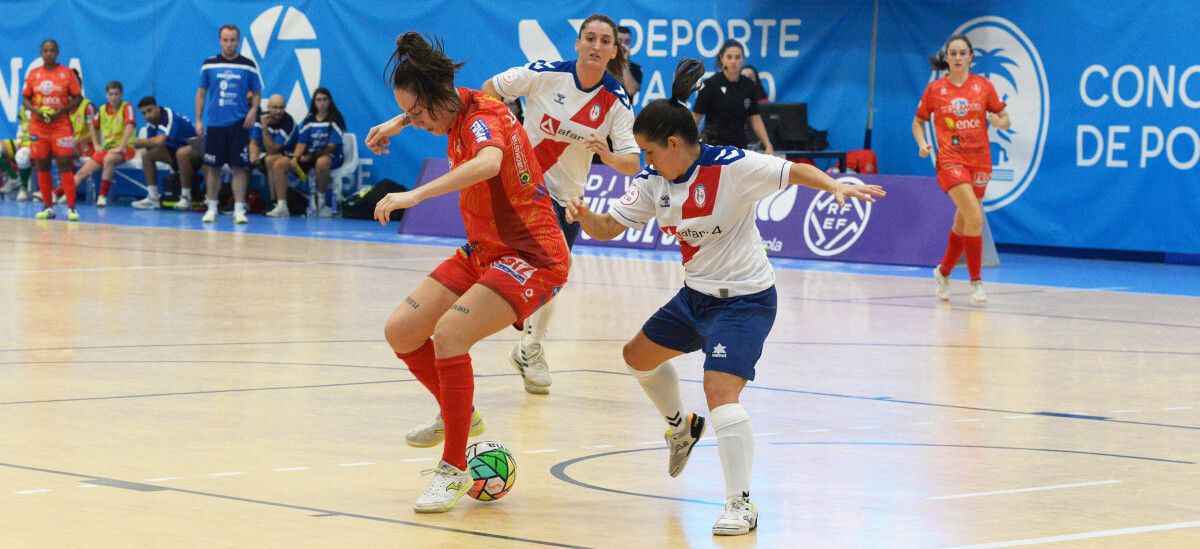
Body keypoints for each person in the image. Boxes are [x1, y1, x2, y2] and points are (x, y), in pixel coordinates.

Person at [565, 59, 884, 536]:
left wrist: (835, 183)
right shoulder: (655, 183)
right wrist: (584, 217)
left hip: (746, 301)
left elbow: (794, 170)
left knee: (721, 392)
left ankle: (741, 503)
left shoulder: (733, 167)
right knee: (636, 358)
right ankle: (680, 426)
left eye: (651, 152)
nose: (646, 162)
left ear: (675, 144)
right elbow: (610, 227)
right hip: (696, 298)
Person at [365, 32, 569, 514]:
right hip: (483, 250)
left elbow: (489, 162)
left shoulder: (485, 118)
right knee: (402, 330)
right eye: (408, 113)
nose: (416, 122)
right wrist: (397, 123)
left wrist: (414, 196)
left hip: (532, 255)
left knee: (450, 334)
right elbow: (441, 105)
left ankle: (452, 468)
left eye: (417, 113)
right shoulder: (458, 101)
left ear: (438, 100)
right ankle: (462, 414)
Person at [482, 14, 641, 394]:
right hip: (521, 185)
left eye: (605, 41)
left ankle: (527, 348)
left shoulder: (615, 100)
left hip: (567, 199)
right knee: (541, 265)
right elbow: (488, 89)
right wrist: (503, 128)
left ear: (614, 51)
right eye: (590, 38)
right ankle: (518, 340)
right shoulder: (545, 73)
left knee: (554, 274)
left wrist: (608, 154)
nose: (596, 46)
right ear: (577, 43)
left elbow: (633, 162)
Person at [911, 34, 1010, 303]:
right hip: (950, 160)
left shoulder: (983, 86)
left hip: (980, 160)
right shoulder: (936, 90)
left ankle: (943, 273)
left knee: (963, 221)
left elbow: (1004, 116)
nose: (957, 58)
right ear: (946, 58)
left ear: (970, 57)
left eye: (962, 53)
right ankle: (976, 281)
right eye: (952, 53)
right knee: (975, 217)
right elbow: (918, 122)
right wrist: (922, 144)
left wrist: (1000, 122)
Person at [195, 23, 262, 224]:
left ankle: (239, 210)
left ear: (238, 41)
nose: (229, 44)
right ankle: (212, 207)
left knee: (240, 168)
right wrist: (198, 120)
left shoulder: (248, 65)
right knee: (212, 168)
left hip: (238, 125)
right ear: (220, 41)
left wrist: (253, 110)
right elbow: (201, 93)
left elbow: (257, 93)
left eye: (233, 40)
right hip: (215, 124)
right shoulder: (209, 64)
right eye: (225, 40)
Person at [22, 39, 82, 220]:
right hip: (38, 127)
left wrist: (61, 111)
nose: (49, 53)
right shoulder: (33, 74)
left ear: (57, 53)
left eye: (52, 51)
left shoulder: (67, 73)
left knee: (64, 164)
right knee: (42, 165)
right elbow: (25, 99)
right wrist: (35, 111)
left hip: (61, 126)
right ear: (41, 52)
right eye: (45, 50)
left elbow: (77, 98)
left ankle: (71, 208)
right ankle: (48, 207)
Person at [692, 40, 773, 155]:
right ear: (722, 58)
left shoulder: (749, 85)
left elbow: (755, 119)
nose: (733, 61)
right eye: (729, 57)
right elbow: (696, 117)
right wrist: (687, 143)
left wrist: (768, 145)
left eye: (737, 57)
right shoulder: (710, 85)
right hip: (713, 147)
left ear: (743, 59)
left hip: (739, 146)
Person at [279, 87, 344, 217]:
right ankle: (281, 205)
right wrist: (295, 158)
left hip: (331, 156)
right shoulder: (309, 119)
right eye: (318, 100)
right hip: (309, 157)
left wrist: (311, 157)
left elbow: (331, 146)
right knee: (280, 164)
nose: (322, 103)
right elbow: (301, 143)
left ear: (330, 101)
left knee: (322, 162)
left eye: (324, 99)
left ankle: (320, 201)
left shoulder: (336, 119)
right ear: (314, 102)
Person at [73, 80, 135, 207]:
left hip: (126, 149)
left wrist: (122, 147)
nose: (113, 97)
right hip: (107, 149)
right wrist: (96, 144)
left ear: (121, 95)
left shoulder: (127, 107)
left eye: (116, 94)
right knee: (82, 173)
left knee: (109, 159)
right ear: (106, 95)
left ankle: (102, 197)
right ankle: (57, 193)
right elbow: (93, 127)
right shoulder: (101, 110)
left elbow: (129, 126)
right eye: (111, 94)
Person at [132, 96, 200, 209]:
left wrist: (138, 142)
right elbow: (150, 146)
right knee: (146, 154)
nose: (147, 116)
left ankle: (186, 198)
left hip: (197, 150)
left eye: (149, 110)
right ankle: (153, 198)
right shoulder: (151, 124)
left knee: (181, 153)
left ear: (157, 108)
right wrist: (132, 144)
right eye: (144, 113)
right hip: (177, 152)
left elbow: (159, 141)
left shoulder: (169, 117)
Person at [251, 94, 296, 217]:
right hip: (267, 155)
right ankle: (241, 202)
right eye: (275, 107)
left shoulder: (288, 122)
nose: (278, 111)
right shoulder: (261, 118)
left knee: (272, 160)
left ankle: (275, 202)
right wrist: (253, 155)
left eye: (282, 107)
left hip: (292, 159)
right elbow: (254, 142)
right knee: (244, 160)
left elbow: (273, 149)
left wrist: (264, 128)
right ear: (268, 107)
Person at [616, 26, 643, 102]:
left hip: (623, 112)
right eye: (620, 41)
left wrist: (624, 62)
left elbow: (631, 91)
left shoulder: (636, 69)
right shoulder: (602, 64)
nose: (623, 45)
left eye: (627, 42)